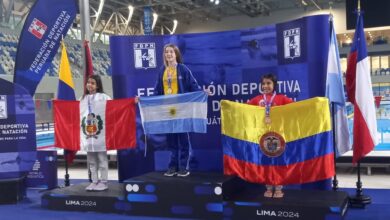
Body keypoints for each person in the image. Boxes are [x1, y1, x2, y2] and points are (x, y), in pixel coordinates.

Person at [154, 43, 202, 177]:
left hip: (181, 109)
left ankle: (183, 167)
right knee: (171, 140)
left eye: (171, 52)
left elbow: (193, 85)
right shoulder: (162, 70)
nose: (168, 54)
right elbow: (157, 90)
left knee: (182, 139)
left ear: (176, 54)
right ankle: (172, 166)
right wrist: (145, 100)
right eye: (166, 52)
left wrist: (202, 93)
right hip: (168, 110)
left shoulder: (183, 69)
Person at [247, 73, 293, 198]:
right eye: (263, 83)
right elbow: (244, 110)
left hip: (279, 138)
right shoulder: (256, 100)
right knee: (266, 162)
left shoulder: (281, 99)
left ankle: (278, 187)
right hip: (262, 138)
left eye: (268, 83)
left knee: (278, 162)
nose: (266, 86)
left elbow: (295, 108)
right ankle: (268, 187)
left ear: (274, 85)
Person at [81, 75, 111, 191]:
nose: (89, 85)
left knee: (102, 158)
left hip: (101, 135)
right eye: (88, 82)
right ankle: (94, 181)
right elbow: (74, 109)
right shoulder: (83, 98)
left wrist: (130, 102)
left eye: (93, 83)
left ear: (98, 86)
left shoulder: (104, 97)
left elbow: (116, 107)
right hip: (88, 135)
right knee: (91, 160)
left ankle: (103, 182)